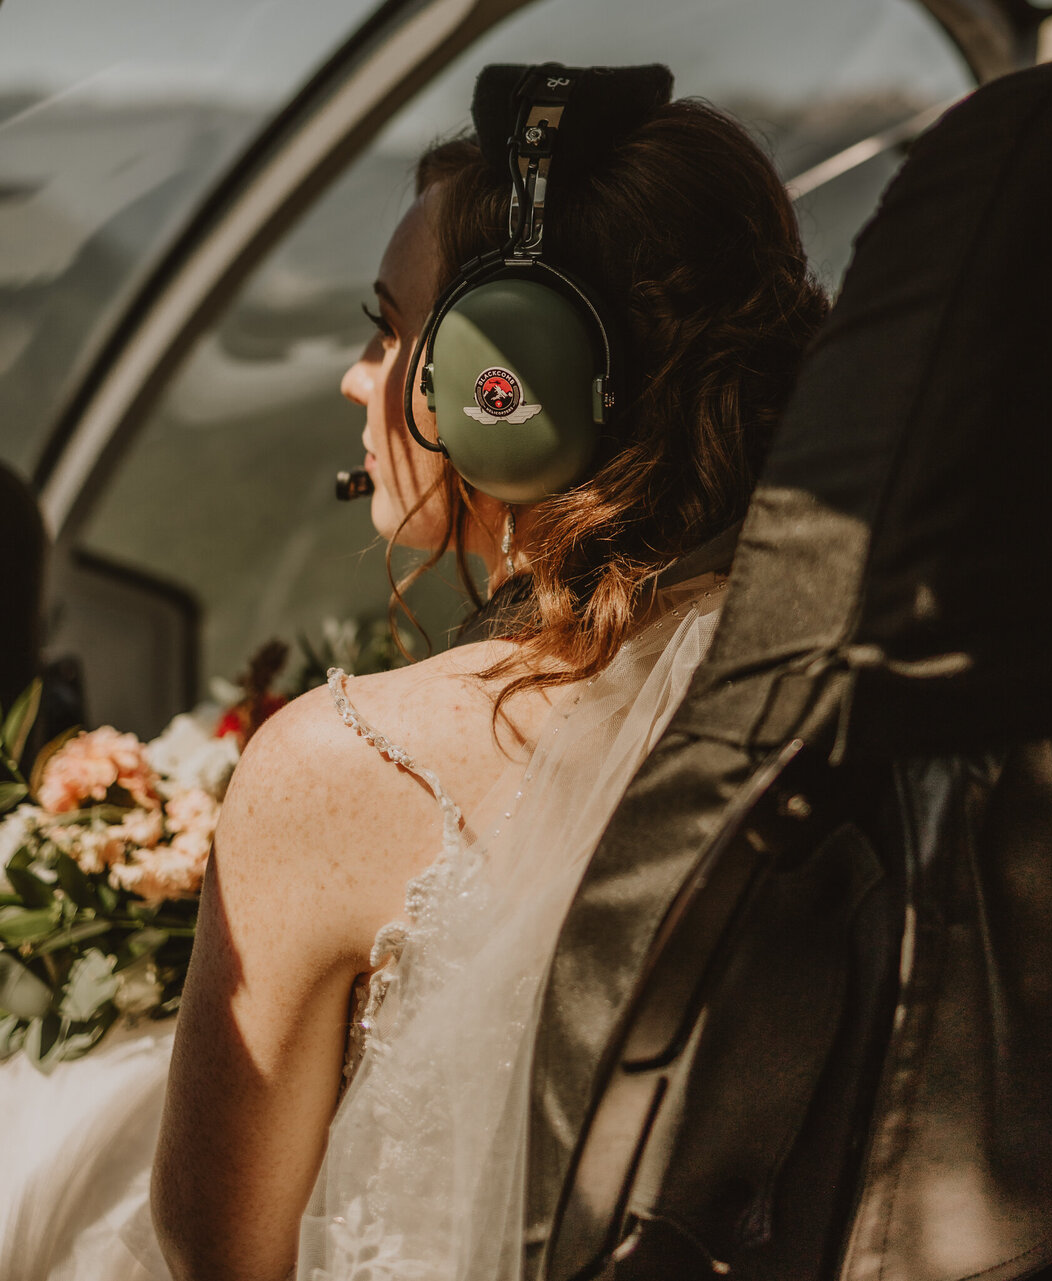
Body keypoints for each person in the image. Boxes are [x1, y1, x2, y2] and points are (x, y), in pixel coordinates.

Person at [5, 64, 828, 1281]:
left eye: (391, 333)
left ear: (520, 390)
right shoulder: (843, 687)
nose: (354, 377)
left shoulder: (343, 763)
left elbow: (215, 1251)